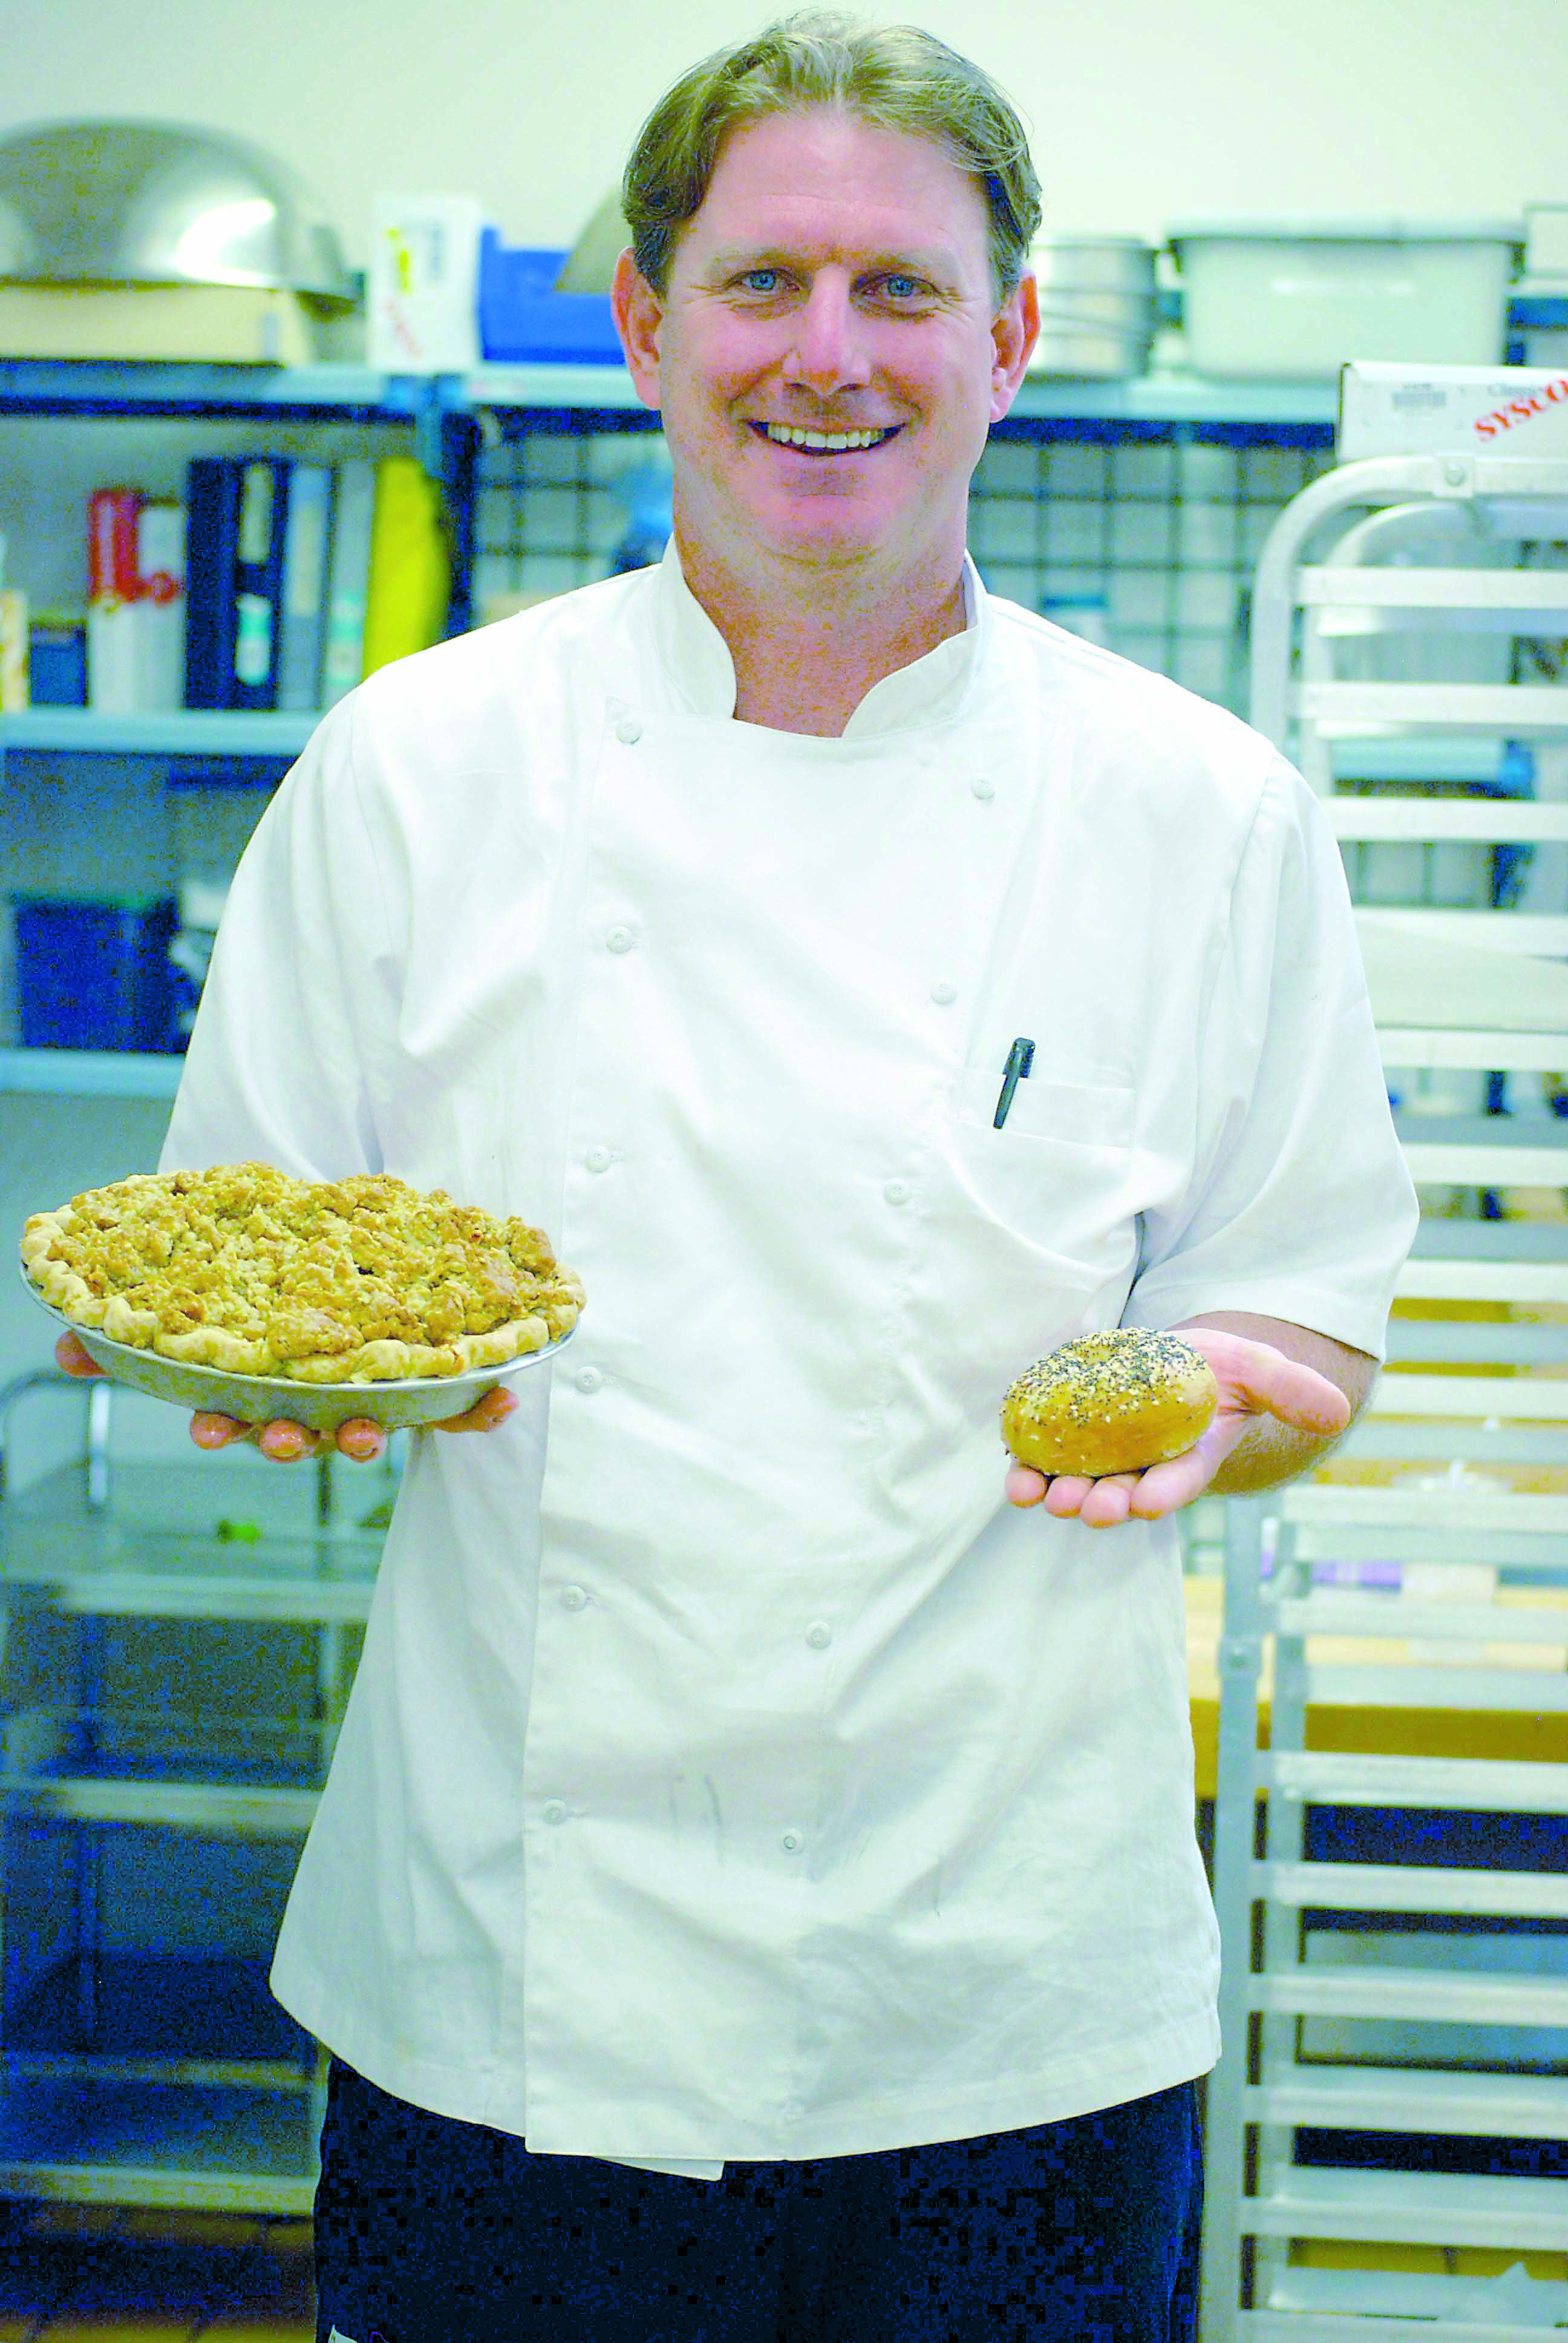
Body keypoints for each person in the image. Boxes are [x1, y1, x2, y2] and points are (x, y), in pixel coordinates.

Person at [58, 14, 1417, 2338]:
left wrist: (1216, 1390)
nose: (828, 355)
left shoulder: (1199, 812)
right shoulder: (417, 768)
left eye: (900, 293)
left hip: (1009, 1989)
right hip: (501, 1965)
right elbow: (218, 1254)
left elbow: (1299, 1313)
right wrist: (289, 1383)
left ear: (1006, 340)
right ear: (645, 322)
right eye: (763, 281)